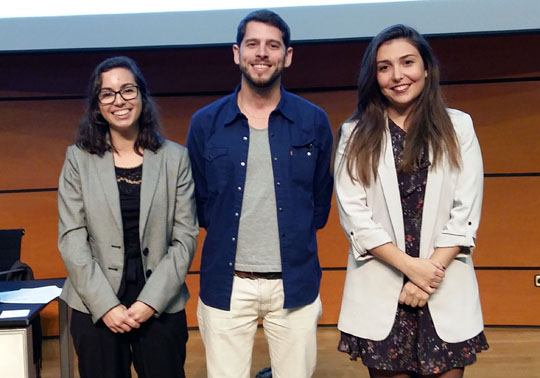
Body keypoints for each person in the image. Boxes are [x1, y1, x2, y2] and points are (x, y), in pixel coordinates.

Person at [334, 25, 489, 378]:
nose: (397, 75)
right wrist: (410, 267)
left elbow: (466, 212)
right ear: (373, 77)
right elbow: (355, 217)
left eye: (407, 62)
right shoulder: (354, 134)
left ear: (426, 69)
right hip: (383, 289)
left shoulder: (459, 126)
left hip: (442, 284)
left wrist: (425, 277)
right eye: (384, 67)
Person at [187, 9, 333, 378]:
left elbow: (319, 200)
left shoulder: (313, 120)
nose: (262, 53)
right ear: (237, 53)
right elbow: (201, 202)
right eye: (253, 44)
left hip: (294, 283)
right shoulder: (206, 123)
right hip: (227, 283)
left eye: (273, 45)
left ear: (288, 55)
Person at [57, 56, 198, 378]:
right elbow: (72, 237)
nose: (119, 101)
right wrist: (105, 305)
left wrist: (151, 301)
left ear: (142, 97)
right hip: (95, 301)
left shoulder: (175, 158)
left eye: (127, 90)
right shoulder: (78, 159)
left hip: (160, 300)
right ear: (96, 106)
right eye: (107, 93)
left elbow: (185, 237)